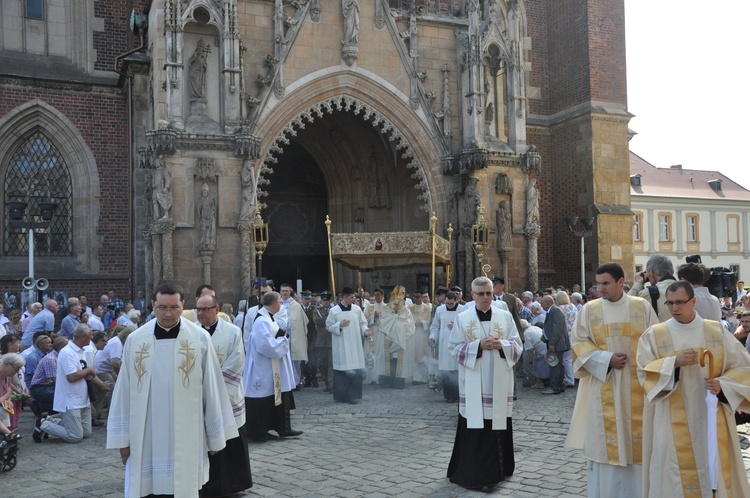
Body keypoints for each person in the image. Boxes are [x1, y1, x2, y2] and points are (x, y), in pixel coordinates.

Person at [107, 281, 238, 497]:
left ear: (183, 305)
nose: (168, 313)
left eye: (174, 307)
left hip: (188, 428)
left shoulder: (199, 338)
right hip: (146, 429)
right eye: (162, 307)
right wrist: (123, 440)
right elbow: (124, 391)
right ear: (153, 305)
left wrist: (214, 436)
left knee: (184, 485)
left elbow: (212, 389)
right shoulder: (136, 339)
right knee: (147, 487)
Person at [636, 281, 750, 497]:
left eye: (680, 302)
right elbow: (644, 373)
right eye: (669, 303)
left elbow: (744, 367)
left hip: (711, 417)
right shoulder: (655, 334)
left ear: (694, 301)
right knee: (671, 473)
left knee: (712, 469)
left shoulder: (717, 331)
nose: (674, 308)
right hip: (670, 419)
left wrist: (723, 384)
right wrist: (673, 363)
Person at [564, 263, 659, 498]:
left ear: (620, 282)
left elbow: (657, 343)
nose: (600, 289)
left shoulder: (642, 307)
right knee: (605, 449)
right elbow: (578, 344)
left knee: (640, 446)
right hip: (603, 386)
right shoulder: (590, 310)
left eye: (606, 283)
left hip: (637, 389)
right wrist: (606, 360)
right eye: (598, 284)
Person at [446, 276, 522, 490]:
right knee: (476, 426)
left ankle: (501, 469)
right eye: (481, 294)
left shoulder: (505, 316)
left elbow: (517, 345)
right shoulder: (463, 318)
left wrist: (502, 345)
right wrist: (478, 346)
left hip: (498, 382)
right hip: (475, 384)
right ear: (472, 295)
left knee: (497, 423)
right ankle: (479, 474)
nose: (486, 297)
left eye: (489, 293)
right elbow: (453, 348)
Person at [196, 294, 253, 497]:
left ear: (216, 308)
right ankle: (205, 485)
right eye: (198, 310)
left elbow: (237, 361)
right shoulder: (190, 333)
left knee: (230, 440)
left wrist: (216, 392)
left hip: (228, 397)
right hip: (200, 398)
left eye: (205, 309)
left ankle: (233, 484)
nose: (201, 314)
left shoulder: (232, 332)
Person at [36, 323, 112, 443]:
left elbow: (88, 373)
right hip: (70, 400)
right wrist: (88, 370)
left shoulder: (85, 351)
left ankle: (52, 421)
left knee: (86, 432)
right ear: (82, 336)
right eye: (90, 335)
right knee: (75, 436)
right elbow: (71, 377)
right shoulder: (67, 352)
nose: (92, 338)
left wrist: (100, 383)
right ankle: (44, 424)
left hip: (83, 398)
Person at [243, 291, 302, 442]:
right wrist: (283, 340)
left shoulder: (268, 318)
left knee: (273, 397)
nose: (281, 305)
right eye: (280, 303)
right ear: (275, 304)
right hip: (263, 368)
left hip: (270, 367)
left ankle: (279, 428)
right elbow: (266, 345)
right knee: (263, 399)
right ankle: (259, 432)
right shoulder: (262, 321)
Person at [325, 287, 370, 403]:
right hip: (341, 345)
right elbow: (329, 326)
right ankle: (341, 396)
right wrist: (339, 325)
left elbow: (362, 323)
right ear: (344, 297)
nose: (353, 299)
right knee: (342, 370)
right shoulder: (334, 310)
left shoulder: (356, 309)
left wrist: (365, 331)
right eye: (351, 297)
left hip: (355, 345)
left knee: (355, 370)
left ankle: (353, 395)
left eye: (354, 297)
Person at [374, 286, 414, 389]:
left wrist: (399, 327)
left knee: (399, 360)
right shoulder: (386, 309)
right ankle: (386, 379)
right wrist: (394, 321)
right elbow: (383, 322)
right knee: (388, 360)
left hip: (401, 340)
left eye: (400, 298)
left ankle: (398, 381)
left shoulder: (406, 311)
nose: (397, 302)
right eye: (395, 299)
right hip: (387, 339)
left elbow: (410, 326)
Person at [428, 290, 465, 402]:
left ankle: (458, 395)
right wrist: (433, 337)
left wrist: (455, 326)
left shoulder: (463, 310)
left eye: (451, 304)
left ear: (456, 300)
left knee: (457, 369)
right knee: (445, 370)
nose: (449, 306)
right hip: (444, 345)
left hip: (458, 343)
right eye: (447, 303)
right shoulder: (440, 310)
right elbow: (435, 327)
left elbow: (467, 327)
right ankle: (448, 395)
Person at [628, 254, 676, 322]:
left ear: (651, 272)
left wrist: (638, 283)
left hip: (660, 332)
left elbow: (626, 305)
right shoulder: (685, 288)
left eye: (647, 271)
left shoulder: (649, 293)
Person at [540, 295, 570, 395]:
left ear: (548, 303)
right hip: (554, 343)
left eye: (542, 303)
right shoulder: (552, 311)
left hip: (557, 344)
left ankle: (554, 387)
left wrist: (552, 343)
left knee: (555, 366)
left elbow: (557, 329)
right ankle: (559, 385)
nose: (541, 305)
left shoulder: (556, 311)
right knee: (558, 365)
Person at [410, 289, 432, 383]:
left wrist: (422, 322)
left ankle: (423, 378)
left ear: (422, 297)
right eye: (414, 297)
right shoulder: (410, 308)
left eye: (418, 297)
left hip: (423, 334)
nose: (416, 299)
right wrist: (413, 323)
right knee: (414, 356)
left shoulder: (427, 308)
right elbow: (406, 320)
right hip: (413, 334)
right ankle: (416, 378)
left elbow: (430, 321)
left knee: (423, 356)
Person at [313, 292, 334, 391]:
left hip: (332, 340)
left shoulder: (334, 310)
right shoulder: (317, 310)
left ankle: (331, 385)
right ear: (321, 301)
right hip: (321, 341)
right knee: (323, 364)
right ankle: (326, 383)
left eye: (328, 300)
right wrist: (329, 317)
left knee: (331, 364)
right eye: (324, 300)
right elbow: (317, 321)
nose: (326, 302)